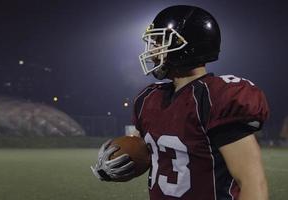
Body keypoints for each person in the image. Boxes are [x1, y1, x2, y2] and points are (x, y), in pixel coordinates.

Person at [91, 5, 269, 200]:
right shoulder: (149, 98)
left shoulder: (215, 97)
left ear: (187, 46)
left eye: (160, 42)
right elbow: (153, 154)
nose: (154, 49)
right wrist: (121, 162)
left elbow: (252, 182)